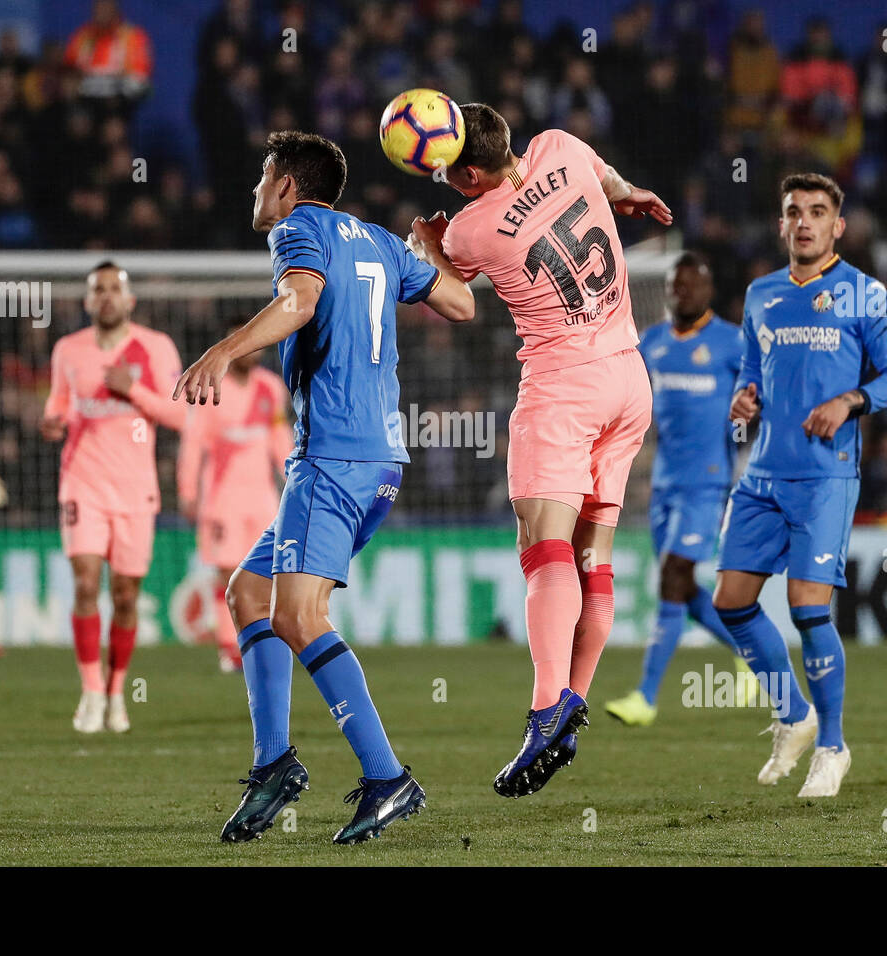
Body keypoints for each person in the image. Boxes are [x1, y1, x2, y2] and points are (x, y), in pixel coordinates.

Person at [174, 130, 473, 845]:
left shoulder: (297, 228)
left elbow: (301, 302)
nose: (255, 191)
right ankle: (274, 763)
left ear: (285, 185)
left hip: (334, 455)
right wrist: (428, 249)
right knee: (249, 594)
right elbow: (462, 303)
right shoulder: (375, 239)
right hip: (378, 460)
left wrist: (223, 349)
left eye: (261, 177)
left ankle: (386, 776)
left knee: (301, 619)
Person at [410, 102, 671, 797]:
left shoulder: (471, 226)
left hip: (563, 390)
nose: (445, 177)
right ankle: (575, 701)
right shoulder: (560, 145)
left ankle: (546, 707)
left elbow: (457, 302)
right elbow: (608, 177)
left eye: (449, 169)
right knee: (594, 556)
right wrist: (627, 193)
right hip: (627, 377)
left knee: (542, 545)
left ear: (471, 170)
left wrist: (428, 250)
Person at [713, 173, 887, 797]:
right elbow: (753, 368)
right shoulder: (760, 294)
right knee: (730, 603)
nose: (804, 222)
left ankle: (831, 746)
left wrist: (852, 400)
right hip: (763, 475)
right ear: (781, 224)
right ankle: (794, 714)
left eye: (817, 212)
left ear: (838, 226)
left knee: (807, 610)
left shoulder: (861, 294)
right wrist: (743, 397)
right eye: (793, 212)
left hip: (824, 476)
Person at [604, 252, 758, 726]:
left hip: (707, 484)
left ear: (709, 291)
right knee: (684, 587)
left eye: (690, 285)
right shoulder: (651, 344)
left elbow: (761, 389)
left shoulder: (732, 343)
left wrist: (750, 406)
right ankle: (751, 653)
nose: (681, 292)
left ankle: (646, 697)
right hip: (665, 486)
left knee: (672, 577)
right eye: (675, 285)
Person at [41, 261, 185, 734]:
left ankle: (117, 690)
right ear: (87, 301)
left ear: (129, 300)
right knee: (85, 584)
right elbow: (58, 405)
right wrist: (52, 422)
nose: (105, 297)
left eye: (113, 289)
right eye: (97, 289)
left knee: (125, 596)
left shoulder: (156, 346)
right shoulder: (68, 350)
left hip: (134, 490)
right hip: (81, 483)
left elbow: (180, 415)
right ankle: (90, 692)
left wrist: (135, 391)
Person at [176, 322, 291, 672]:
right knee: (227, 575)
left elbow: (279, 437)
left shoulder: (270, 388)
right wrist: (187, 491)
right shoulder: (212, 387)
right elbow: (193, 443)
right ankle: (229, 647)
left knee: (265, 575)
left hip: (263, 499)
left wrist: (292, 479)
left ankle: (260, 643)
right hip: (222, 498)